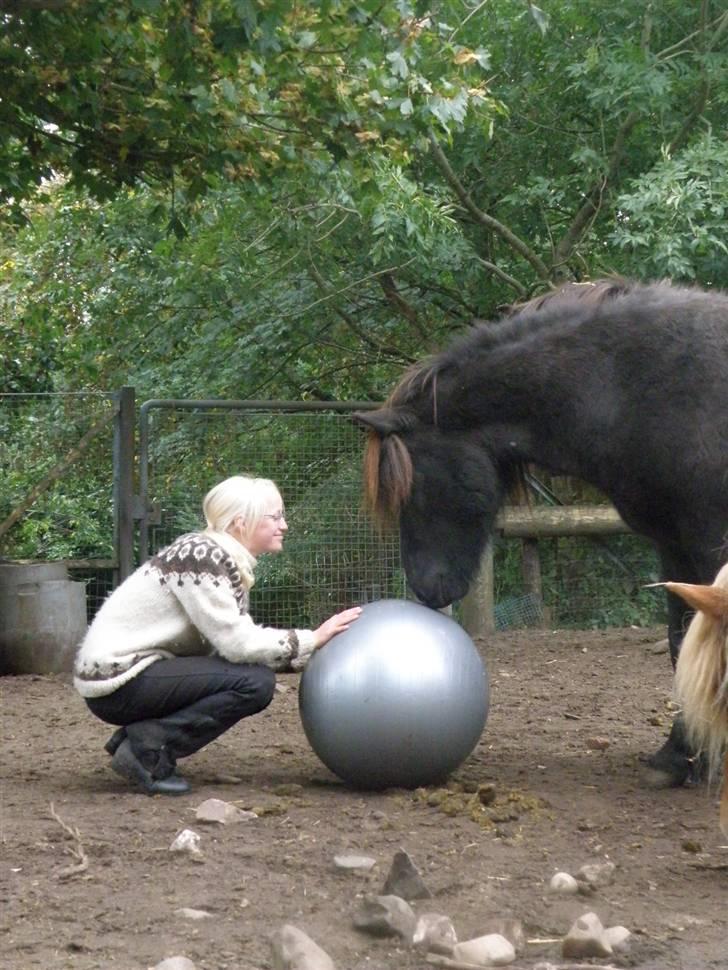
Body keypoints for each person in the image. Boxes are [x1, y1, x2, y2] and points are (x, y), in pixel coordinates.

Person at [73, 475, 361, 796]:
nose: (285, 525)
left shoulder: (219, 556)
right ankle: (147, 749)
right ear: (241, 522)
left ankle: (142, 739)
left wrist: (310, 654)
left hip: (131, 676)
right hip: (119, 680)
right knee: (255, 684)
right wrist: (312, 639)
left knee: (250, 677)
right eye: (276, 516)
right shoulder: (202, 556)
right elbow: (236, 644)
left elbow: (223, 654)